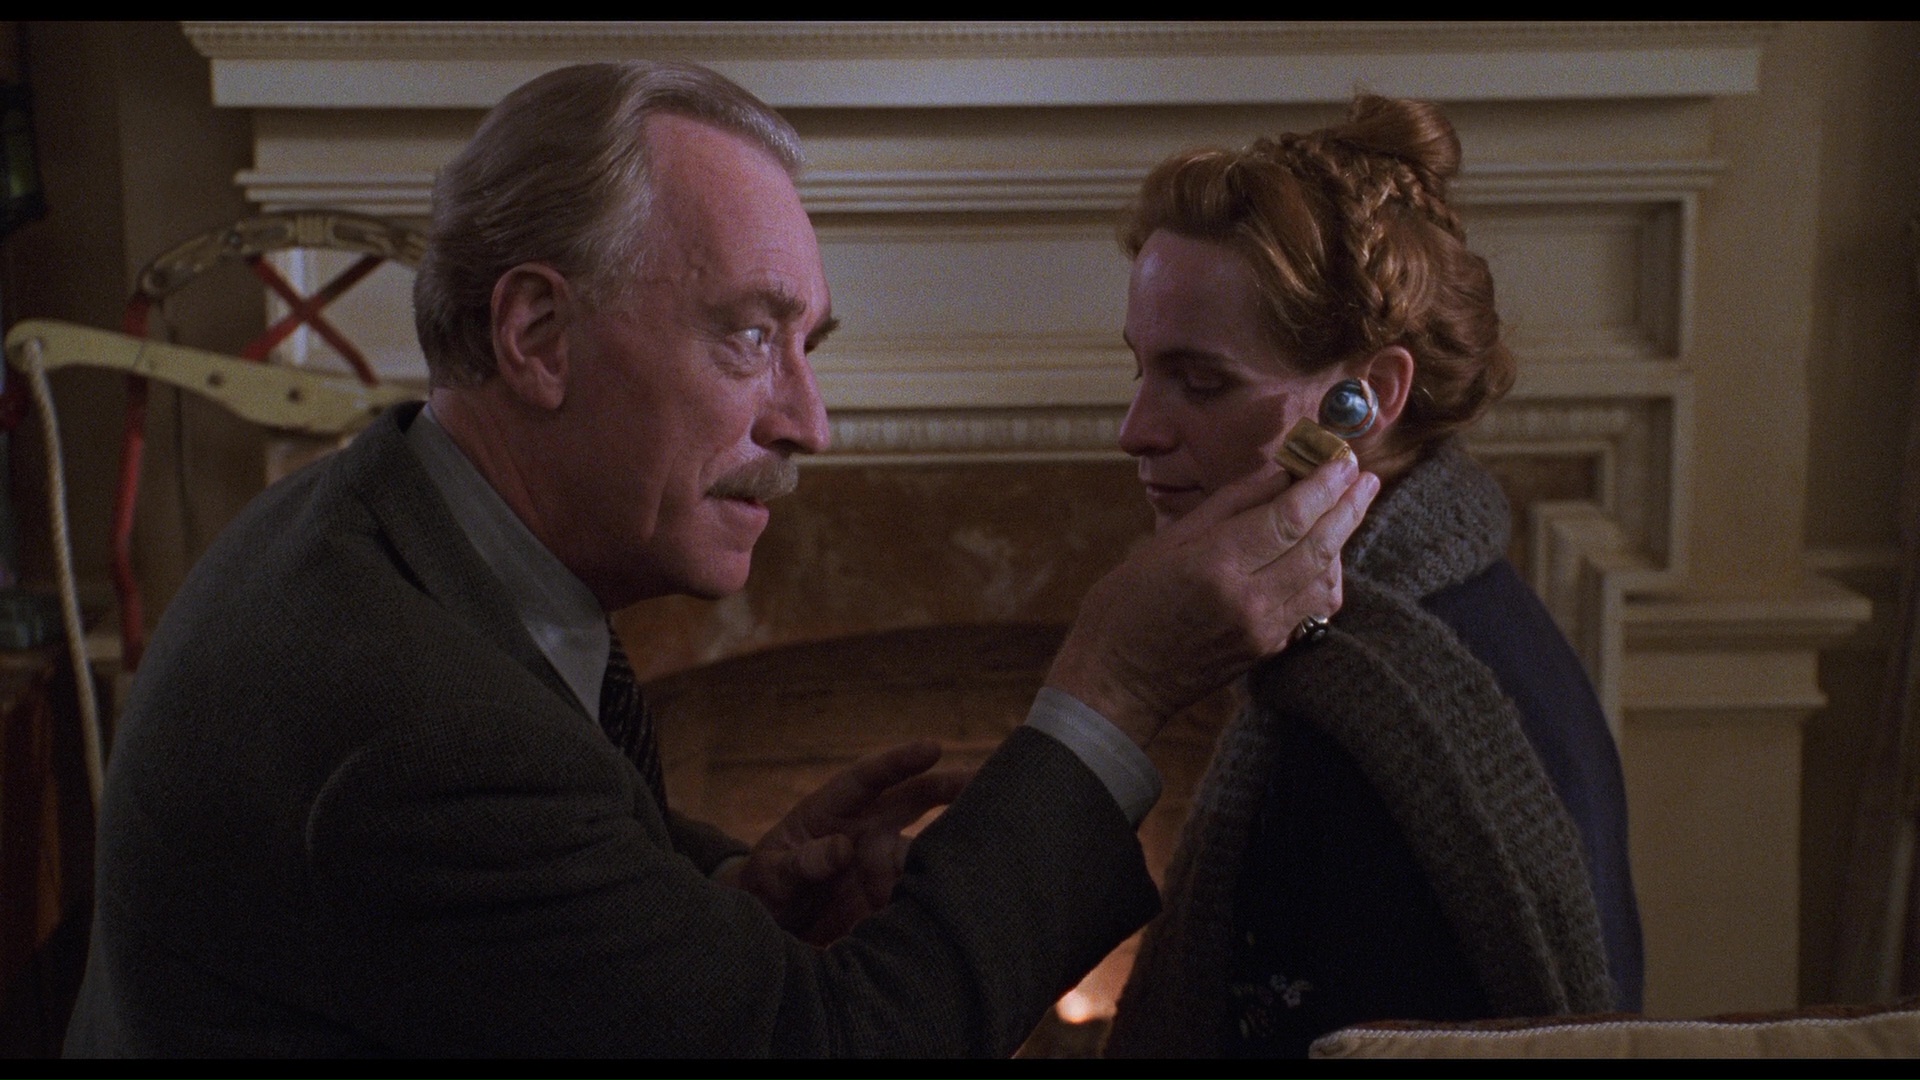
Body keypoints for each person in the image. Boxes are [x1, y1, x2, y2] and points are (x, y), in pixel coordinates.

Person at [62, 62, 1377, 1057]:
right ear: (536, 335)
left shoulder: (379, 520)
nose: (808, 421)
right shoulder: (416, 728)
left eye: (811, 347)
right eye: (749, 337)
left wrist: (723, 901)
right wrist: (1112, 691)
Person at [1102, 95, 1644, 1059]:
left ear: (1369, 399)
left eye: (1201, 382)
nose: (1136, 430)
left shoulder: (1390, 702)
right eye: (1140, 370)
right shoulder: (1379, 625)